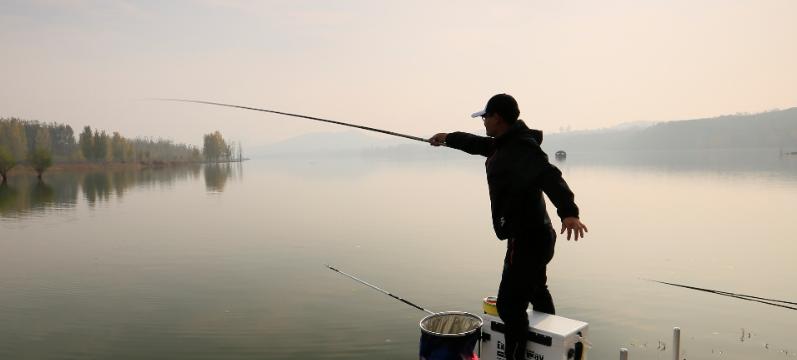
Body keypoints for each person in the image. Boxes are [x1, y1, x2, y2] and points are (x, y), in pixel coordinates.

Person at [429, 94, 588, 360]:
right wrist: (447, 137)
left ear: (497, 118)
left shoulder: (522, 149)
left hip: (526, 239)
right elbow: (476, 144)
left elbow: (550, 175)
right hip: (537, 236)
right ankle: (549, 342)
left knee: (509, 306)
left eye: (485, 117)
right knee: (537, 289)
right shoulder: (505, 143)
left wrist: (569, 212)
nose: (483, 122)